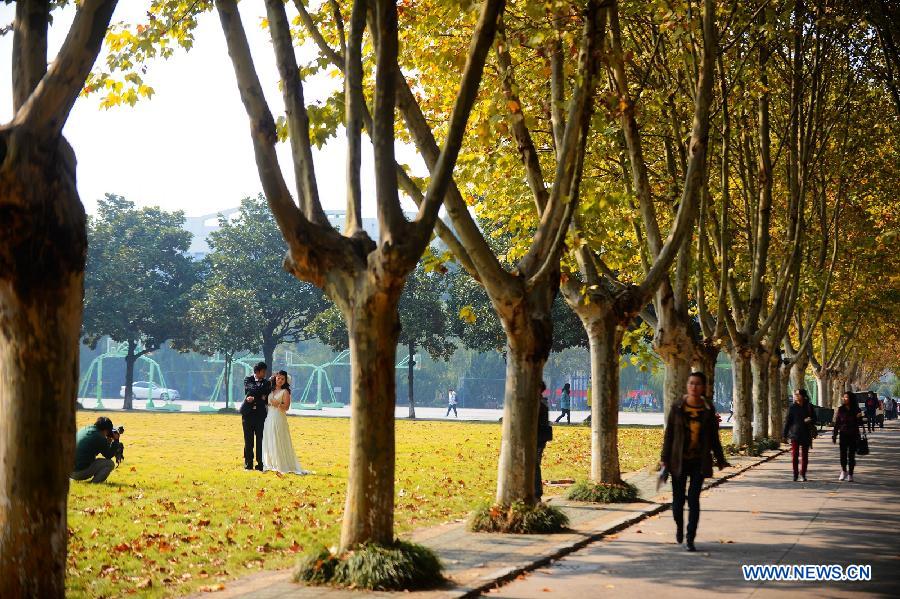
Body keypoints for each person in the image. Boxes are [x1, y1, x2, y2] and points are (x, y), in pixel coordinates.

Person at [660, 371, 729, 552]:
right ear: (687, 385)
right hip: (678, 461)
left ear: (704, 387)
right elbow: (669, 435)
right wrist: (664, 460)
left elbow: (714, 437)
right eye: (691, 383)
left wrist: (720, 458)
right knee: (677, 502)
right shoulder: (677, 407)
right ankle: (679, 527)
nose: (694, 387)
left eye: (698, 384)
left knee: (694, 500)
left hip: (699, 461)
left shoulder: (708, 409)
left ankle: (690, 537)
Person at [262, 371, 309, 474]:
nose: (280, 380)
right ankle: (270, 463)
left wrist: (277, 404)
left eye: (282, 379)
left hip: (279, 418)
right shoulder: (271, 389)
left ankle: (281, 464)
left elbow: (286, 407)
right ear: (275, 378)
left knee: (278, 438)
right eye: (278, 378)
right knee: (269, 438)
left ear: (285, 381)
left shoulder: (285, 392)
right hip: (269, 417)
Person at [71, 417, 122, 484]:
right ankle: (94, 483)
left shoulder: (86, 428)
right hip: (78, 473)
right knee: (110, 464)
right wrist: (116, 441)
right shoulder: (99, 437)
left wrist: (107, 441)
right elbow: (108, 455)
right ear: (106, 430)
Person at [241, 362, 270, 471]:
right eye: (263, 372)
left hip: (260, 415)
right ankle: (248, 463)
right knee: (248, 441)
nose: (265, 374)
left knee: (260, 440)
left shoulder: (266, 383)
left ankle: (260, 464)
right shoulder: (247, 379)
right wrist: (260, 396)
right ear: (257, 372)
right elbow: (251, 389)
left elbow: (264, 392)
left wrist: (254, 397)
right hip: (247, 414)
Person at [783, 388, 815, 482]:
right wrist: (784, 434)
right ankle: (795, 474)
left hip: (806, 434)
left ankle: (803, 474)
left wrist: (810, 420)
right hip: (795, 434)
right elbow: (788, 422)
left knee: (805, 456)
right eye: (795, 394)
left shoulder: (809, 407)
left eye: (798, 394)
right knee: (795, 455)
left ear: (803, 396)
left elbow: (815, 419)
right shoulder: (792, 407)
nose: (796, 396)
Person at [833, 392, 863, 482]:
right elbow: (837, 423)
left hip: (854, 435)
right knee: (843, 455)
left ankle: (850, 474)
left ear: (851, 399)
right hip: (843, 434)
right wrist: (834, 434)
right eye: (844, 397)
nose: (845, 399)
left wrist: (859, 417)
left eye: (847, 397)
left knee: (851, 455)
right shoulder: (841, 409)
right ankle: (843, 471)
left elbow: (860, 423)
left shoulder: (857, 409)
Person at [536, 381, 553, 502]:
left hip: (538, 438)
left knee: (534, 465)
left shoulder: (539, 404)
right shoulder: (542, 403)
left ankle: (537, 492)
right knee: (535, 464)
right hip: (540, 438)